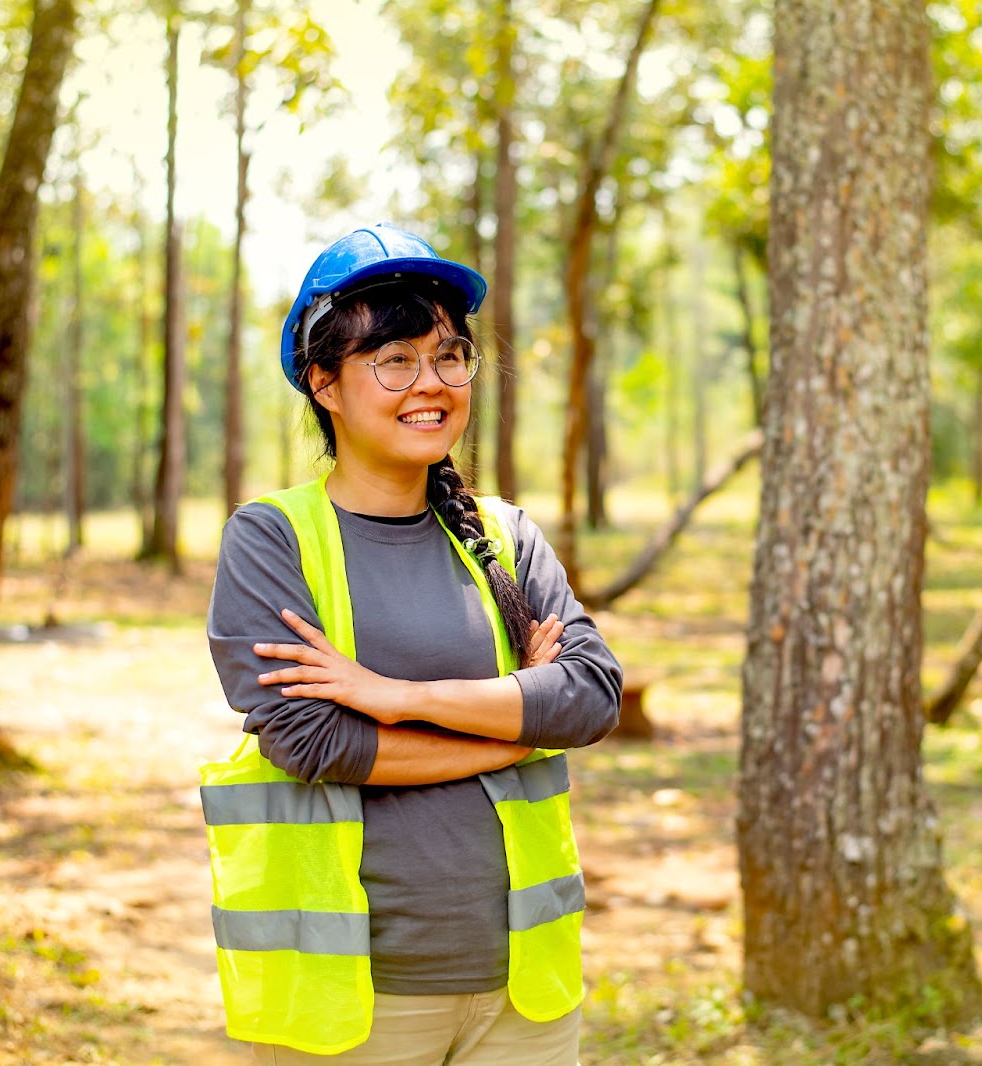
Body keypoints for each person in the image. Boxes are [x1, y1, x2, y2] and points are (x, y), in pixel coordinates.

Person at [201, 223, 622, 1065]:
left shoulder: (504, 534)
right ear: (324, 382)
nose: (430, 384)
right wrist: (516, 729)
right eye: (393, 359)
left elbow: (592, 693)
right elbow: (313, 739)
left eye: (449, 355)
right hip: (355, 1003)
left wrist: (398, 697)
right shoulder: (274, 539)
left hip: (525, 995)